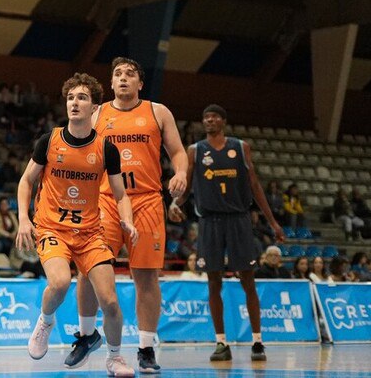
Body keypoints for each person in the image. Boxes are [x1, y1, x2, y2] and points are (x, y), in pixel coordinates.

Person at [68, 57, 188, 373]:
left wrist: (180, 173)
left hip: (146, 201)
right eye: (118, 74)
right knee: (88, 268)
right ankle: (86, 335)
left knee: (146, 276)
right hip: (106, 201)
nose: (123, 78)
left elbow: (178, 152)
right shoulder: (97, 113)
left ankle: (146, 349)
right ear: (111, 83)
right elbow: (76, 151)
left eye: (130, 74)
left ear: (140, 83)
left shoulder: (158, 112)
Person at [16, 73, 137, 377]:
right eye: (71, 97)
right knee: (59, 283)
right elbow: (26, 181)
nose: (74, 103)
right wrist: (23, 220)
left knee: (110, 301)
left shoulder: (106, 149)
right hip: (52, 228)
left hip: (90, 233)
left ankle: (114, 358)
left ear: (94, 107)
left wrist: (127, 219)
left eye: (82, 98)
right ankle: (45, 322)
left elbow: (121, 194)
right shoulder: (49, 141)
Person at [168, 104, 284, 363]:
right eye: (206, 117)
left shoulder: (240, 147)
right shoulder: (195, 150)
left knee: (248, 281)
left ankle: (257, 341)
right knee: (213, 282)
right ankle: (221, 342)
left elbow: (255, 185)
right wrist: (176, 203)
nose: (209, 120)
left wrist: (272, 222)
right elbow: (186, 186)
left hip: (238, 220)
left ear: (223, 121)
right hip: (209, 221)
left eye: (214, 117)